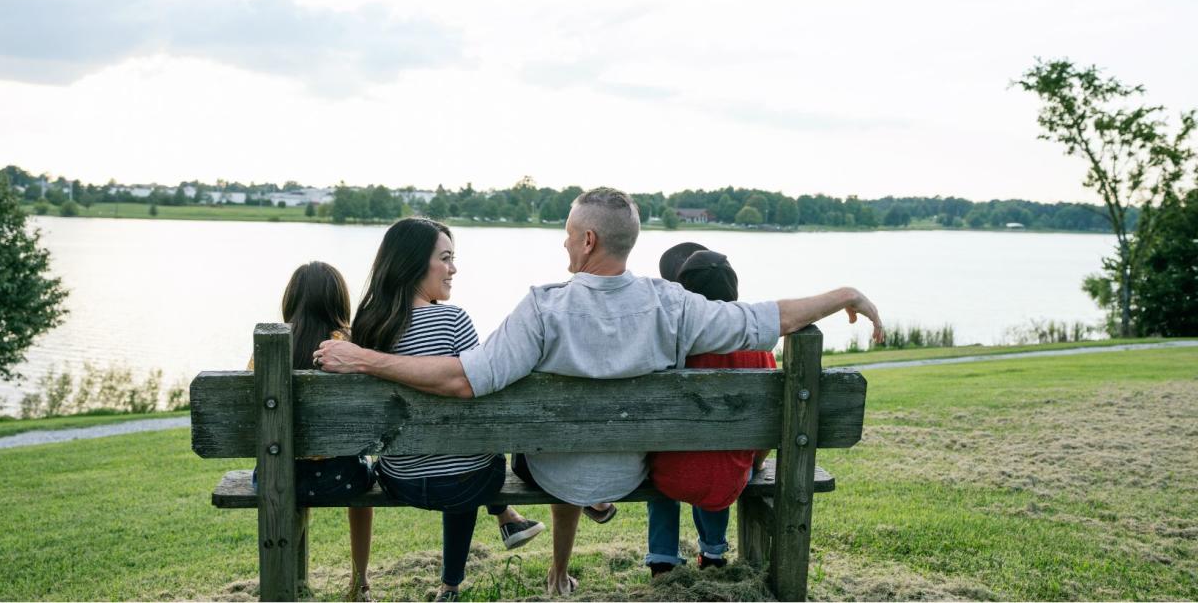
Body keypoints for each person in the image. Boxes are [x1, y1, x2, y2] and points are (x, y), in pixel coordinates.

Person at [314, 188, 883, 596]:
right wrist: (843, 294)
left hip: (555, 477)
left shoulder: (542, 307)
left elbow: (463, 378)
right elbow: (761, 319)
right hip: (630, 476)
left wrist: (362, 356)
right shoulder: (673, 304)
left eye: (566, 234)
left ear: (587, 240)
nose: (563, 246)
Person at [348, 218, 544, 603]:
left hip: (399, 478)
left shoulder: (367, 327)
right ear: (413, 263)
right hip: (467, 484)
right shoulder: (454, 320)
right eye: (446, 258)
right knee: (469, 462)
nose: (453, 269)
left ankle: (506, 521)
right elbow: (482, 399)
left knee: (460, 457)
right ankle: (452, 584)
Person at [644, 242, 773, 577]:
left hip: (669, 474)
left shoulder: (672, 336)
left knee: (669, 470)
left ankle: (662, 560)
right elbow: (768, 424)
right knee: (718, 467)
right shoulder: (758, 341)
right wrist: (755, 463)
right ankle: (713, 554)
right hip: (731, 477)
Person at [252, 262, 376, 601]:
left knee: (287, 466)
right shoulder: (351, 345)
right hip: (342, 478)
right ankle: (359, 583)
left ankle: (286, 583)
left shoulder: (268, 348)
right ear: (339, 302)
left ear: (292, 299)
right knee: (361, 475)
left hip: (275, 478)